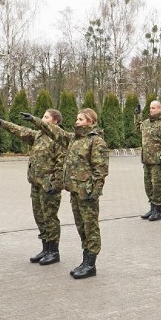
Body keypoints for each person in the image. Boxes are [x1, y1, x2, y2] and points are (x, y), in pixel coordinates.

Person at [25, 108, 109, 279]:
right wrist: (35, 120)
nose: (76, 122)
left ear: (91, 122)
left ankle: (91, 264)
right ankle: (85, 261)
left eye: (81, 119)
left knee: (90, 228)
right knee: (81, 228)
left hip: (87, 193)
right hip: (75, 192)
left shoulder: (96, 141)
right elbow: (54, 131)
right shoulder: (73, 139)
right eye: (77, 118)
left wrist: (94, 192)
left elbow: (100, 171)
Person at [0, 109, 65, 265]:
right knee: (39, 216)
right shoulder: (39, 135)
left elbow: (61, 164)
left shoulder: (58, 138)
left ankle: (54, 251)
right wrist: (2, 123)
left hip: (49, 185)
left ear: (55, 121)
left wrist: (56, 183)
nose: (42, 119)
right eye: (43, 117)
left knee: (50, 218)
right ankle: (45, 248)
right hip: (36, 183)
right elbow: (22, 131)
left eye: (46, 117)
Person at [134, 100, 161, 222]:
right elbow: (138, 129)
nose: (150, 110)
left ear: (160, 109)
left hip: (158, 161)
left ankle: (157, 210)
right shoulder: (146, 123)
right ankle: (152, 208)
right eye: (150, 108)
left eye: (153, 108)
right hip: (147, 160)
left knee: (157, 186)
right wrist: (137, 115)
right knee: (148, 186)